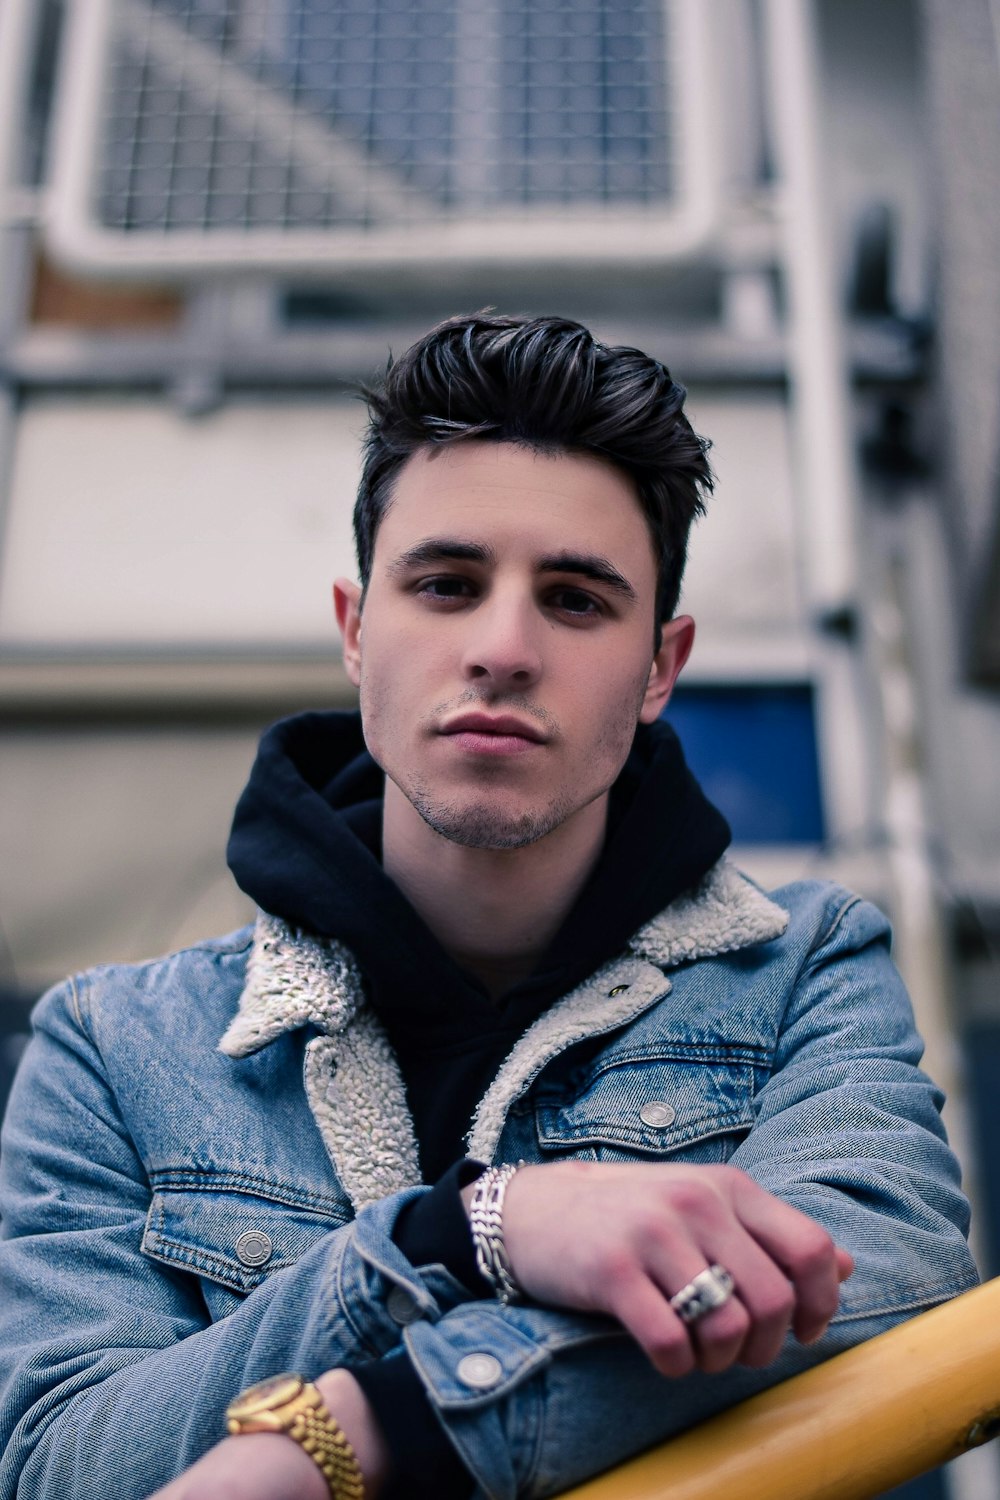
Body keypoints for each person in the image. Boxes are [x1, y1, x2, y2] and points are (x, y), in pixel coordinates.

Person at [0, 314, 976, 1500]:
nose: (502, 647)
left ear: (660, 666)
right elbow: (54, 1466)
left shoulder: (803, 969)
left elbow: (883, 1284)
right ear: (358, 633)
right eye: (448, 584)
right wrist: (464, 1237)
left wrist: (371, 1430)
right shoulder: (112, 1046)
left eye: (574, 600)